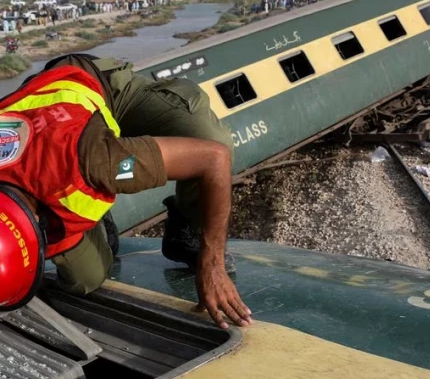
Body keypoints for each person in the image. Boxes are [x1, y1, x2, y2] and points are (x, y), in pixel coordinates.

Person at [0, 53, 252, 330]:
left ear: (35, 222)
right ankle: (97, 221)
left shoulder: (97, 163)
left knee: (209, 138)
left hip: (97, 88)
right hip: (52, 142)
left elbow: (213, 158)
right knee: (86, 279)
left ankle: (186, 233)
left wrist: (212, 263)